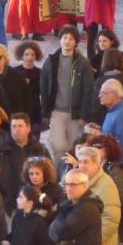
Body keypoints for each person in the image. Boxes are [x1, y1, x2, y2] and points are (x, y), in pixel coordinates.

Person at [41, 26, 100, 160]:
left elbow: (88, 90)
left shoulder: (83, 63)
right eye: (65, 38)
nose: (67, 41)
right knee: (58, 145)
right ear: (60, 40)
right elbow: (43, 87)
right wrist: (45, 110)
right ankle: (58, 171)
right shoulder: (51, 61)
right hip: (56, 110)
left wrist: (84, 115)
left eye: (71, 39)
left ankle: (70, 173)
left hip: (75, 112)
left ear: (75, 42)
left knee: (74, 146)